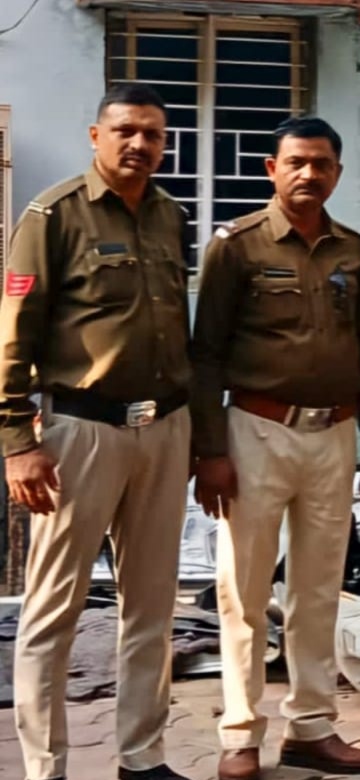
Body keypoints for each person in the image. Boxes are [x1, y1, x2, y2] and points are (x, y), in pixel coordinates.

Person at [0, 83, 192, 780]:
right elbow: (14, 335)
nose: (140, 144)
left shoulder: (171, 215)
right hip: (80, 433)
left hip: (163, 429)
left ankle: (143, 758)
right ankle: (45, 768)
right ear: (95, 136)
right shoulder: (53, 216)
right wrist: (17, 443)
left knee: (152, 606)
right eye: (126, 131)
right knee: (54, 608)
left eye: (153, 134)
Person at [190, 116, 360, 780]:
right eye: (296, 162)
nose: (309, 174)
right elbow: (206, 354)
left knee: (318, 588)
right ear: (272, 169)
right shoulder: (237, 245)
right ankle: (241, 732)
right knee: (243, 590)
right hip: (256, 432)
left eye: (321, 164)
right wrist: (210, 450)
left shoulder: (352, 249)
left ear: (337, 173)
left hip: (334, 435)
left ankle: (311, 727)